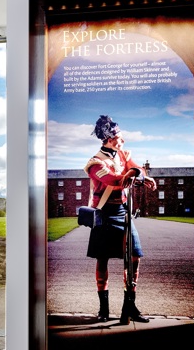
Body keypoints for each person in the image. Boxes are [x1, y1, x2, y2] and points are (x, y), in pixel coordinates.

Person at [83, 115, 157, 324]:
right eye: (118, 137)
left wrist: (140, 174)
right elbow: (114, 180)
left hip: (122, 213)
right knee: (103, 259)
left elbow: (137, 169)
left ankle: (130, 306)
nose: (122, 140)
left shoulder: (122, 155)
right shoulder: (95, 163)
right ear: (108, 138)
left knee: (134, 256)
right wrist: (132, 175)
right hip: (104, 214)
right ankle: (103, 309)